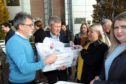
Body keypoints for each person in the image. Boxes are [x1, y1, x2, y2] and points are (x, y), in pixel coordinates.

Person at [6, 12, 57, 84]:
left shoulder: (23, 39)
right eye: (30, 25)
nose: (33, 27)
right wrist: (45, 61)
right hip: (20, 82)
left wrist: (44, 56)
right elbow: (24, 68)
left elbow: (29, 60)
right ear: (21, 26)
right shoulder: (15, 42)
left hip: (29, 80)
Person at [90, 11, 126, 84]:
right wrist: (101, 77)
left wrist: (98, 83)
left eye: (123, 27)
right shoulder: (113, 48)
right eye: (116, 27)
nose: (119, 31)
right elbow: (107, 68)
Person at [43, 16, 69, 84]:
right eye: (56, 27)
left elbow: (66, 46)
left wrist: (70, 44)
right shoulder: (44, 36)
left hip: (62, 67)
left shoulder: (63, 33)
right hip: (50, 68)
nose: (58, 29)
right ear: (50, 26)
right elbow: (42, 53)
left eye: (59, 26)